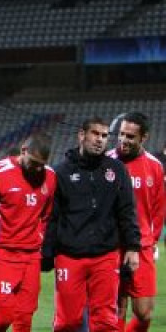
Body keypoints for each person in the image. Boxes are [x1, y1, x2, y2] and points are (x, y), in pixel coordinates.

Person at [42, 117, 141, 332]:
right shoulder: (61, 172)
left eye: (104, 136)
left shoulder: (117, 170)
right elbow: (52, 215)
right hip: (69, 255)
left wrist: (133, 247)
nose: (100, 140)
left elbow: (127, 210)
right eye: (95, 134)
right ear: (81, 135)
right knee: (68, 321)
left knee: (105, 321)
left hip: (105, 256)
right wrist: (47, 251)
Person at [0, 134, 57, 332]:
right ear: (23, 151)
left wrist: (41, 242)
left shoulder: (50, 176)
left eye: (42, 165)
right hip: (0, 254)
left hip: (31, 256)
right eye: (34, 163)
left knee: (24, 319)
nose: (38, 169)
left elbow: (46, 215)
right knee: (4, 316)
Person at [108, 113, 164, 332]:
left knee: (144, 312)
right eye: (121, 134)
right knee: (116, 309)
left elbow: (158, 209)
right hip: (112, 245)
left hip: (141, 246)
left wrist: (152, 241)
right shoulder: (107, 161)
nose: (124, 140)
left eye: (130, 136)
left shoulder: (155, 166)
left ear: (144, 137)